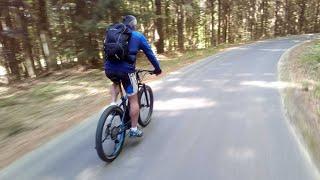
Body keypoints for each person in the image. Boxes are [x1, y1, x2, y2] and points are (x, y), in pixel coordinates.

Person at [105, 15, 162, 137]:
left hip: (109, 69)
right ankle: (133, 129)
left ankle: (112, 105)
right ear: (134, 25)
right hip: (126, 71)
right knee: (133, 99)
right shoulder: (137, 36)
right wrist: (157, 69)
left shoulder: (114, 33)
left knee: (115, 81)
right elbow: (150, 54)